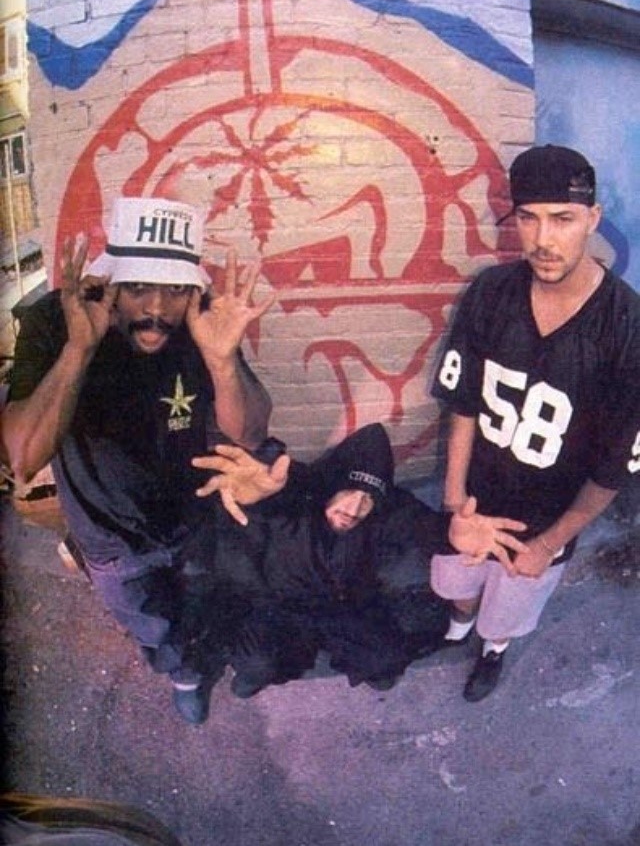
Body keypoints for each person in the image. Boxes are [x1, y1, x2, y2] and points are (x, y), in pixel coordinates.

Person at [1, 195, 279, 726]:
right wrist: (78, 351)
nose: (156, 308)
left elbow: (250, 431)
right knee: (149, 622)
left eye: (175, 289)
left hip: (192, 521)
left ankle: (196, 661)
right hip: (110, 539)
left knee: (199, 602)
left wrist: (221, 362)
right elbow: (23, 457)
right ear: (110, 283)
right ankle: (182, 675)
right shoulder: (58, 320)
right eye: (138, 288)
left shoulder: (203, 321)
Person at [429, 144, 640, 702]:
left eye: (562, 219)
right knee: (457, 587)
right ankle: (457, 627)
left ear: (592, 218)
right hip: (476, 501)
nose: (543, 239)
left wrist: (548, 544)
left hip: (547, 517)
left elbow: (612, 470)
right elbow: (464, 404)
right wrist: (455, 504)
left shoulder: (627, 326)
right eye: (528, 218)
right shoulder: (491, 291)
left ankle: (492, 650)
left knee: (508, 610)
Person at [189, 423, 528, 698]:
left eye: (367, 500)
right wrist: (251, 500)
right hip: (284, 606)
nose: (353, 510)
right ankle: (260, 673)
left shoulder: (388, 511)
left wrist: (450, 536)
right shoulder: (299, 489)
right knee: (256, 663)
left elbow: (420, 525)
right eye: (349, 492)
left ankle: (363, 666)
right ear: (332, 485)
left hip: (343, 609)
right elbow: (267, 499)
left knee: (386, 661)